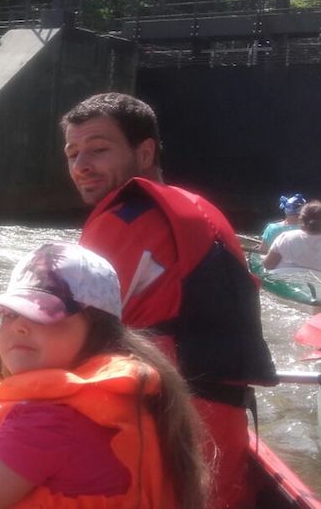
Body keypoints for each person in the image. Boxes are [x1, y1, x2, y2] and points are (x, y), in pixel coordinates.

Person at [0, 243, 208, 509]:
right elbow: (27, 476)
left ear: (98, 330)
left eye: (45, 314)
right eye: (10, 314)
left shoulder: (50, 422)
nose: (20, 326)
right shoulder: (112, 401)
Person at [61, 92, 277, 508]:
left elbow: (71, 336)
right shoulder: (201, 211)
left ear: (145, 152)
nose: (81, 166)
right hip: (219, 431)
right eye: (72, 154)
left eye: (99, 150)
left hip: (163, 430)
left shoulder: (123, 220)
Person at [264, 200, 321, 272]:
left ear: (301, 219)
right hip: (316, 281)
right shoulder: (286, 237)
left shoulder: (285, 237)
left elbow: (268, 265)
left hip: (282, 280)